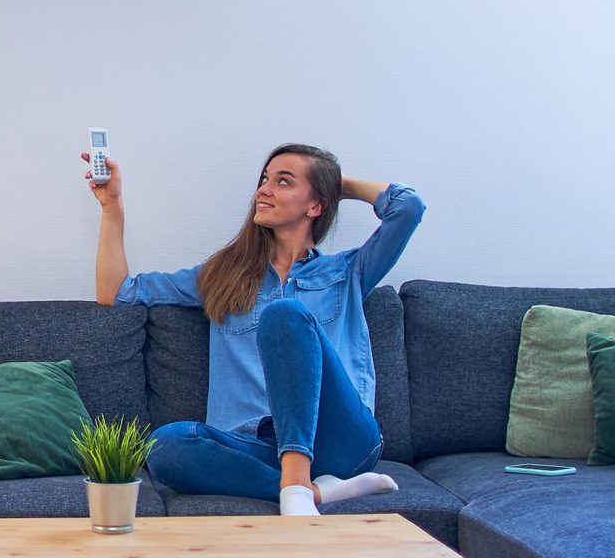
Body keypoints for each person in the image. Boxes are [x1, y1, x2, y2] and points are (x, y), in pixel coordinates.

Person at [82, 143, 425, 516]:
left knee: (285, 315)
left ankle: (296, 485)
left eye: (283, 181)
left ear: (315, 205)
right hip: (256, 445)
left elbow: (409, 208)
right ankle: (312, 491)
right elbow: (116, 292)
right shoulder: (222, 276)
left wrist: (336, 184)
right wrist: (111, 207)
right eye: (264, 179)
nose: (264, 189)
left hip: (340, 441)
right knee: (163, 445)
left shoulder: (349, 272)